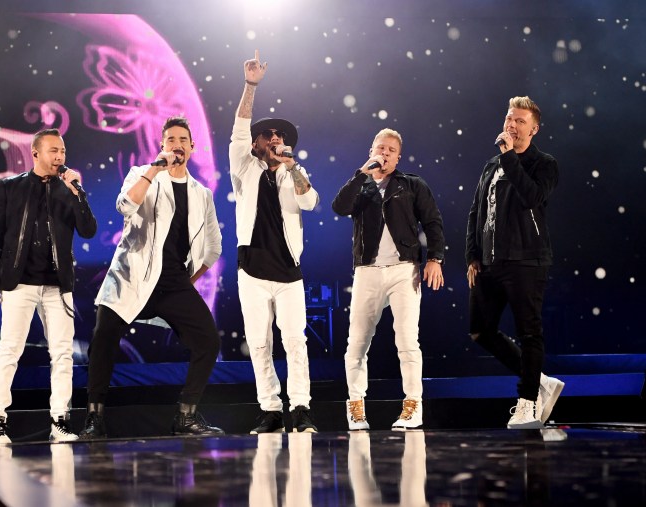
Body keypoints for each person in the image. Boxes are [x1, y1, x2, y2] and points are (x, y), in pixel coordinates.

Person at [79, 116, 224, 438]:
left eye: (183, 140)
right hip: (131, 275)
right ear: (162, 145)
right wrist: (155, 169)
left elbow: (213, 247)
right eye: (171, 139)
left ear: (192, 147)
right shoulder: (144, 175)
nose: (177, 145)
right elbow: (124, 205)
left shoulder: (201, 194)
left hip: (173, 282)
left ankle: (186, 416)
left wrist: (189, 281)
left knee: (208, 340)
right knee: (103, 337)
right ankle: (94, 417)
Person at [0, 128, 98, 445]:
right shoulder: (10, 188)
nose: (60, 156)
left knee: (62, 354)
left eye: (62, 151)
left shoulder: (68, 190)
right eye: (53, 150)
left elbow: (88, 230)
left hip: (58, 286)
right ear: (36, 153)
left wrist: (79, 194)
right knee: (9, 351)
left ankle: (60, 421)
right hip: (18, 283)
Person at [230, 50, 320, 434]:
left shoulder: (294, 173)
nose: (274, 138)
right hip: (252, 270)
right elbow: (239, 127)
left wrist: (293, 166)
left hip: (288, 272)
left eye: (279, 135)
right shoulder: (244, 168)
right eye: (267, 135)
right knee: (259, 342)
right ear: (254, 145)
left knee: (295, 341)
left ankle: (300, 407)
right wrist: (250, 85)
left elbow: (310, 202)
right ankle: (270, 409)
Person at [332, 128, 445, 431]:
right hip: (367, 271)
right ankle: (356, 407)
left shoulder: (411, 185)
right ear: (371, 151)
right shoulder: (362, 187)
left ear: (398, 157)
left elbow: (433, 221)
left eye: (390, 150)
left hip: (402, 269)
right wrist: (361, 175)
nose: (384, 153)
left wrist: (435, 258)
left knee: (407, 341)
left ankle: (412, 406)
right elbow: (339, 207)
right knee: (356, 342)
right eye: (379, 147)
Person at [466, 96, 564, 429]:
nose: (512, 125)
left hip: (527, 260)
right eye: (510, 118)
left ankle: (527, 402)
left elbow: (532, 197)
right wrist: (472, 256)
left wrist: (510, 156)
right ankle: (540, 381)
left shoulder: (543, 163)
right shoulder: (491, 165)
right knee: (481, 330)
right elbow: (476, 212)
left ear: (533, 129)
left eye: (520, 121)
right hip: (491, 261)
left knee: (528, 332)